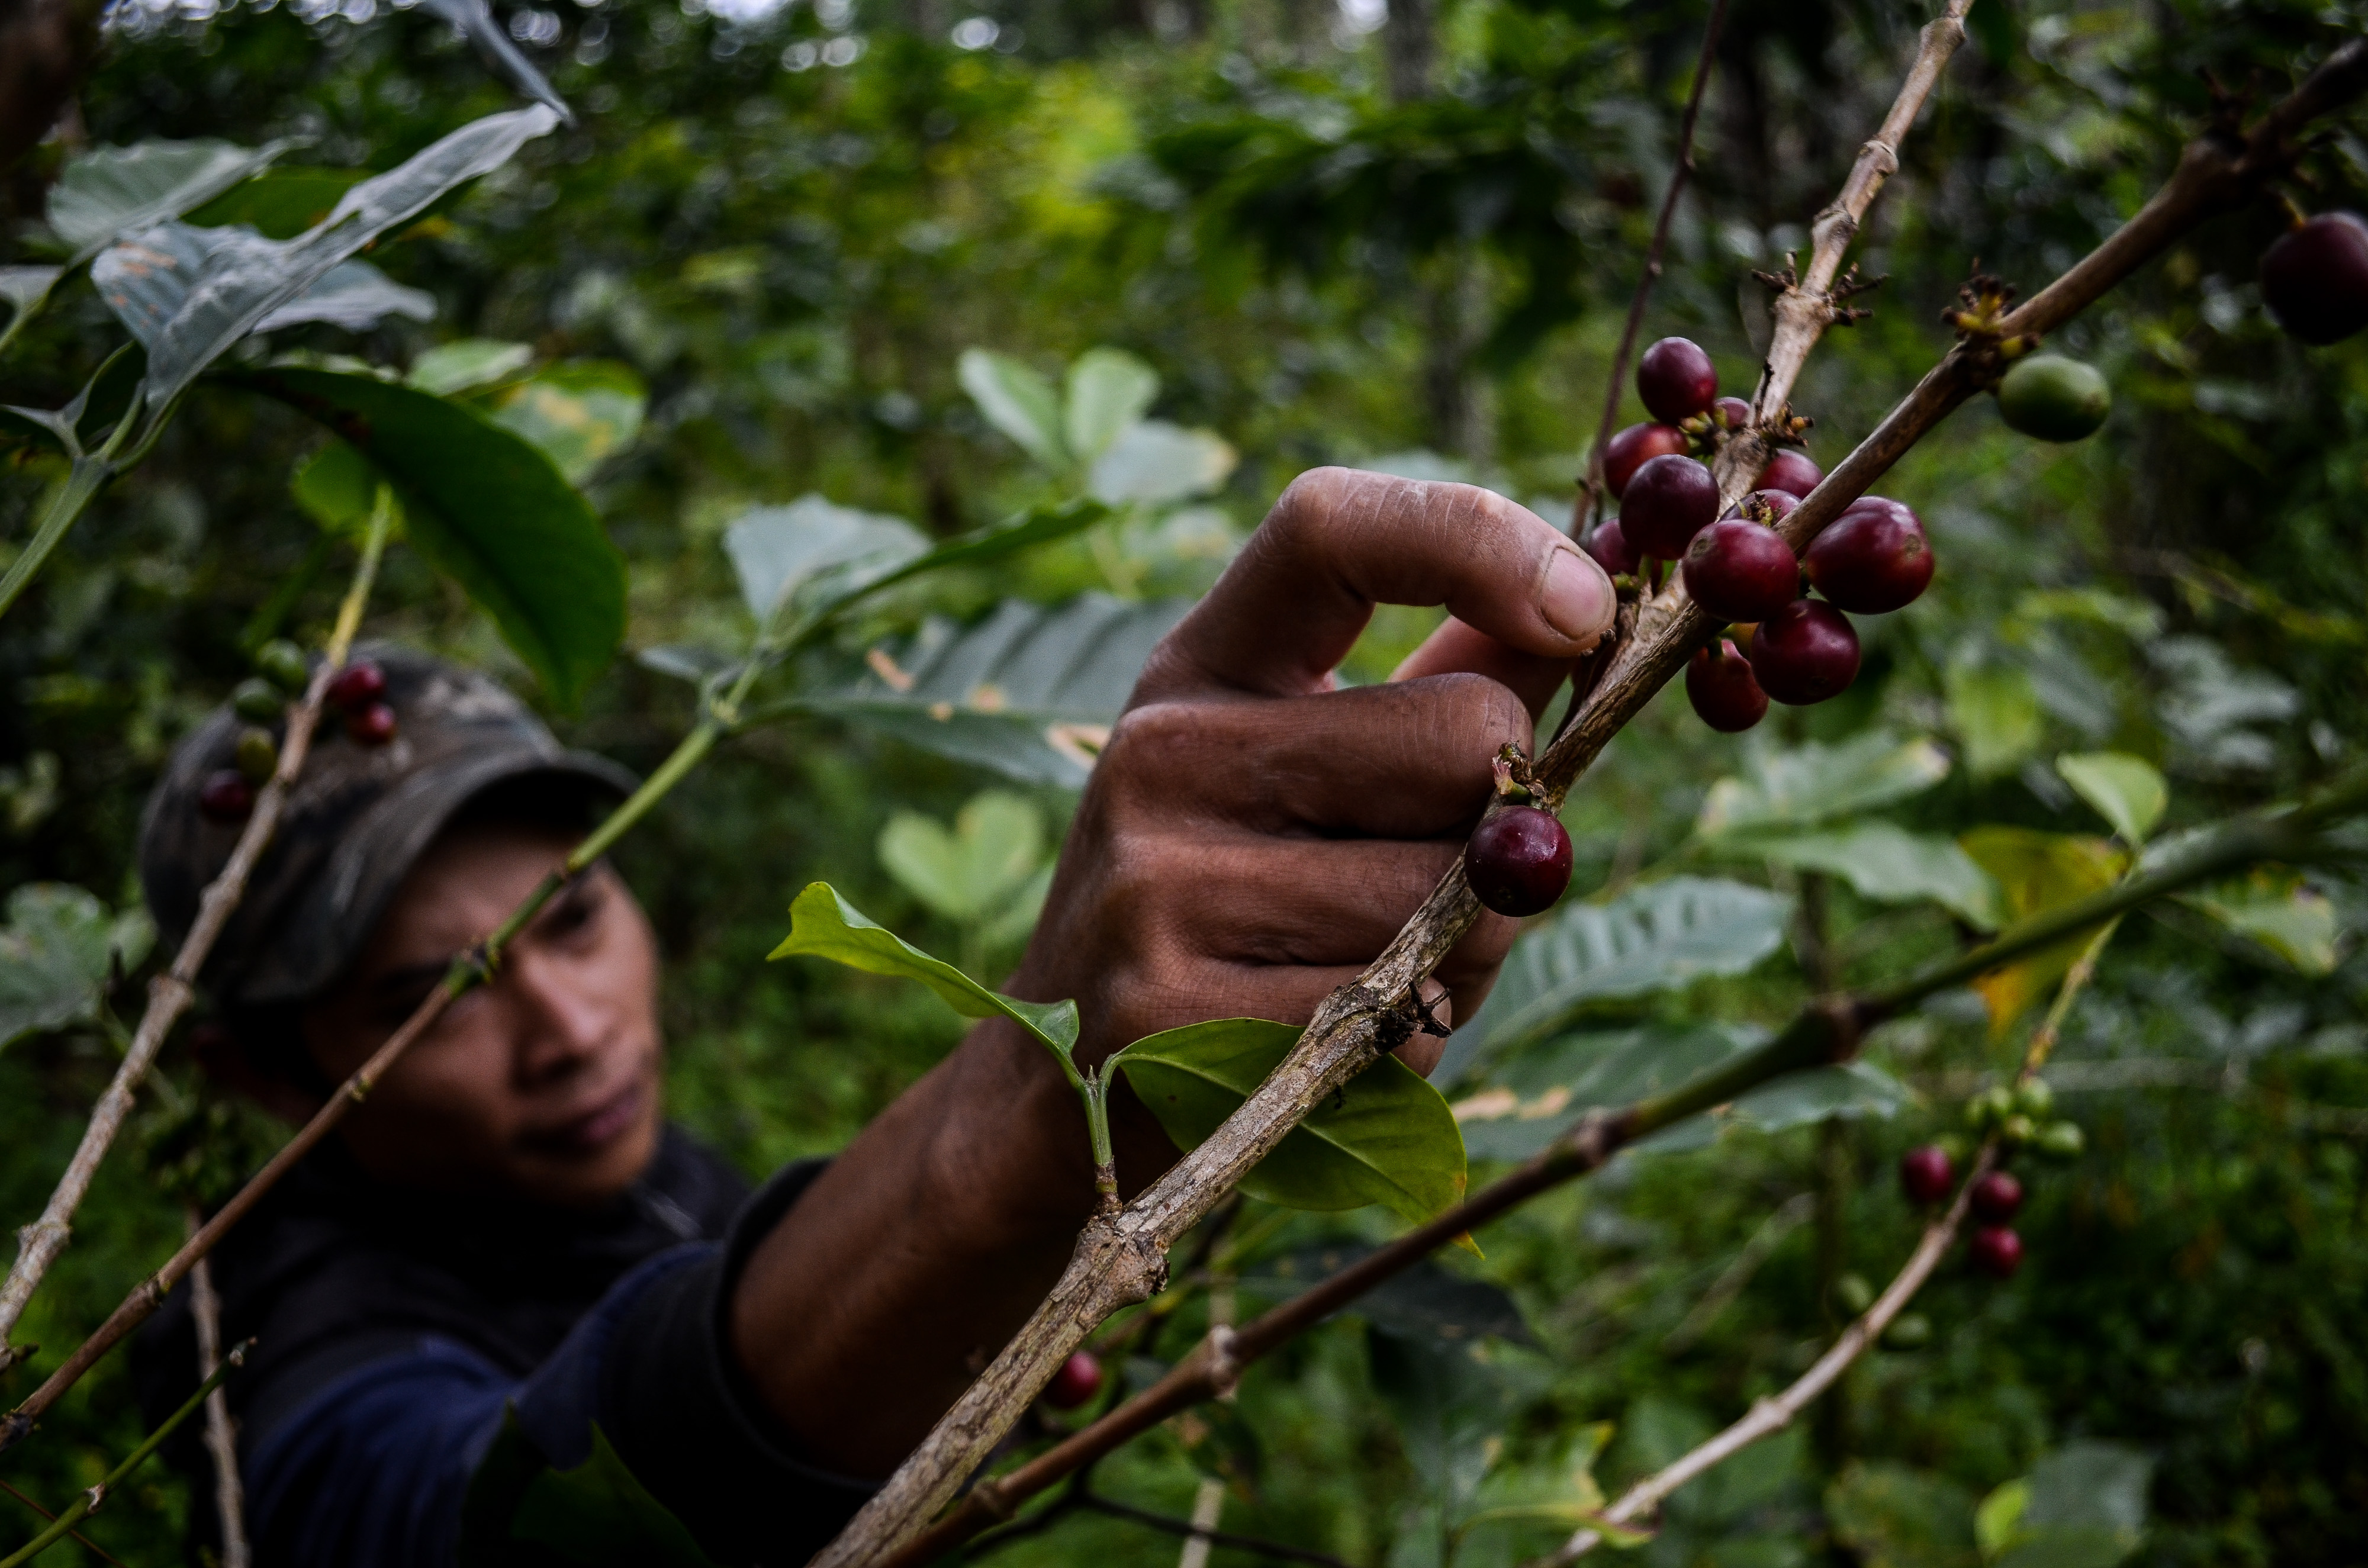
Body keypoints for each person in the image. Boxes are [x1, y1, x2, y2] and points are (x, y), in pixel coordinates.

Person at [130, 468, 1618, 1567]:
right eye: (423, 999)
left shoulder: (653, 1180)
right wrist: (1031, 1109)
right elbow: (471, 1526)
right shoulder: (263, 1354)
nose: (569, 1027)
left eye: (569, 916)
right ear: (258, 1073)